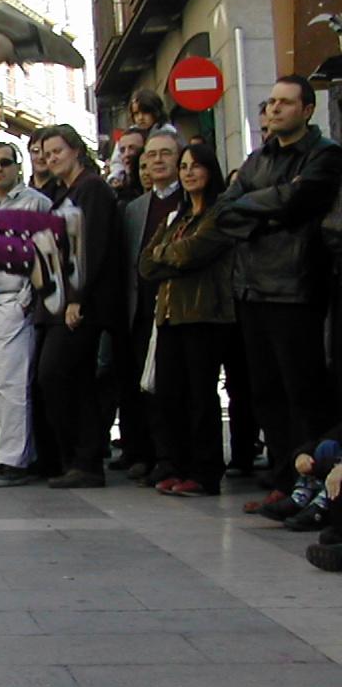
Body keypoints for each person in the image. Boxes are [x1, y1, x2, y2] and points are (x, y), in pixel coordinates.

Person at [220, 75, 342, 506]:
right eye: (271, 101)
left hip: (296, 286)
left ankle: (313, 485)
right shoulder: (258, 158)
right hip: (252, 287)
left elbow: (299, 202)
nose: (274, 108)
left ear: (307, 110)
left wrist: (259, 209)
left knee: (302, 392)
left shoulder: (324, 154)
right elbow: (225, 210)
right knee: (266, 392)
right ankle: (283, 479)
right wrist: (270, 211)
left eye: (285, 102)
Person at [138, 142, 235, 497]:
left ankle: (205, 471)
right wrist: (171, 256)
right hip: (169, 315)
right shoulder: (176, 218)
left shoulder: (219, 214)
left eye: (196, 166)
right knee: (170, 394)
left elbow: (192, 253)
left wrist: (168, 256)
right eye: (184, 166)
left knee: (200, 396)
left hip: (203, 314)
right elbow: (146, 264)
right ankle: (177, 465)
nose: (189, 172)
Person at [36, 125, 121, 488]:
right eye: (46, 154)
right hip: (59, 301)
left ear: (76, 150)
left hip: (82, 303)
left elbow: (91, 247)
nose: (52, 158)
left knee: (56, 374)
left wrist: (77, 299)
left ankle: (84, 458)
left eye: (57, 151)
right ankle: (79, 460)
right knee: (73, 379)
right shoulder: (64, 193)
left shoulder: (92, 189)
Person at [0, 140, 52, 487]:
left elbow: (47, 255)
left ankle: (13, 461)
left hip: (12, 303)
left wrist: (26, 298)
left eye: (5, 162)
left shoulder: (35, 203)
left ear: (18, 166)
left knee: (12, 383)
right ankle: (16, 453)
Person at [115, 127, 183, 483]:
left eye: (165, 153)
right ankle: (147, 454)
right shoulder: (135, 209)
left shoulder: (190, 199)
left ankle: (175, 458)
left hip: (179, 310)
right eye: (151, 155)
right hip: (141, 310)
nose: (157, 161)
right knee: (143, 387)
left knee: (176, 389)